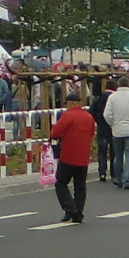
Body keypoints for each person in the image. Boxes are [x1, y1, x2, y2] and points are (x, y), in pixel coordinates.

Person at [51, 87, 98, 224]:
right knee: (80, 186)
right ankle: (78, 213)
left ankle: (70, 207)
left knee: (61, 183)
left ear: (70, 103)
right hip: (83, 157)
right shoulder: (89, 117)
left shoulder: (68, 116)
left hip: (68, 155)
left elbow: (55, 133)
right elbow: (91, 133)